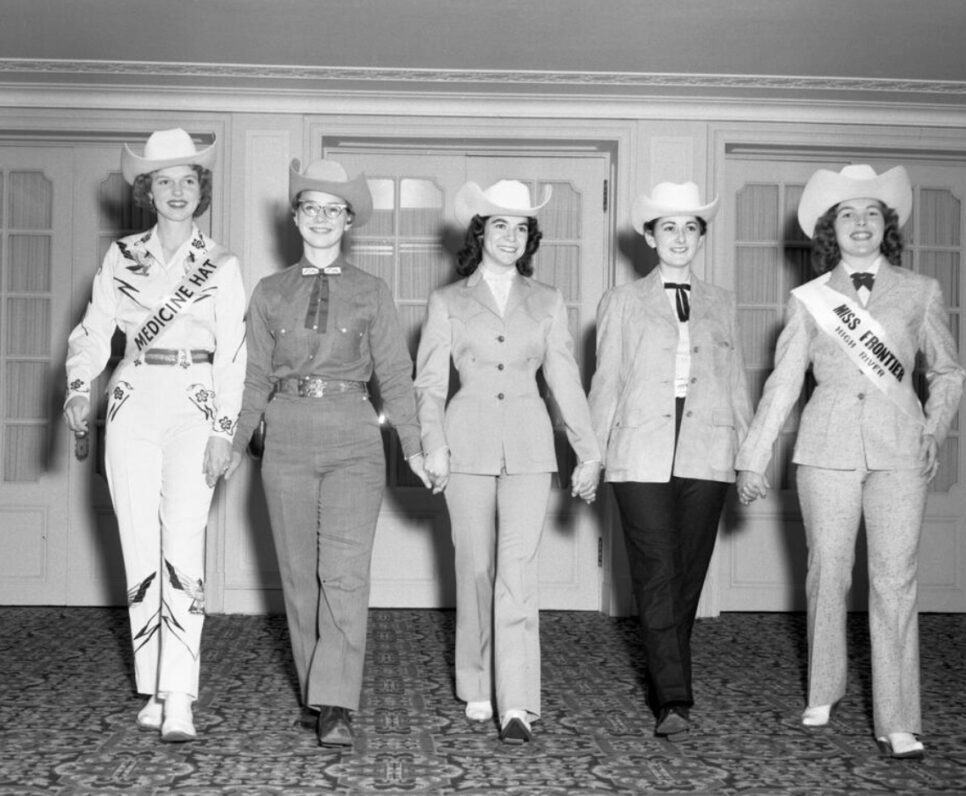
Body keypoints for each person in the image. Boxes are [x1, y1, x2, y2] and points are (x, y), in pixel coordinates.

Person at [735, 164, 965, 759]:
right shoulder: (809, 301)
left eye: (871, 214)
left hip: (899, 450)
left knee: (895, 582)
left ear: (885, 226)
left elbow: (946, 371)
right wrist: (753, 459)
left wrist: (935, 428)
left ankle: (899, 719)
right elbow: (783, 384)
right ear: (829, 229)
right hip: (826, 449)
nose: (859, 224)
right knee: (827, 573)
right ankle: (824, 687)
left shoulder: (921, 291)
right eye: (847, 214)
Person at [225, 159, 430, 749]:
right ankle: (318, 686)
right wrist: (235, 445)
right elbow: (254, 377)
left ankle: (336, 700)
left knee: (343, 574)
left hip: (353, 436)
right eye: (310, 207)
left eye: (333, 209)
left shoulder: (371, 291)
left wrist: (413, 446)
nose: (321, 218)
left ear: (349, 220)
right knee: (297, 576)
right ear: (295, 217)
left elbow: (394, 372)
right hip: (285, 434)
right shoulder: (269, 292)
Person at [64, 128, 247, 742]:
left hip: (195, 402)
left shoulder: (223, 263)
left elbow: (235, 358)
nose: (176, 191)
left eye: (187, 180)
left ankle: (181, 693)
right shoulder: (121, 256)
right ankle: (154, 685)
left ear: (202, 190)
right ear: (146, 190)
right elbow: (94, 332)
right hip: (133, 400)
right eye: (163, 180)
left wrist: (225, 430)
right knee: (139, 540)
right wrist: (78, 385)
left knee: (184, 541)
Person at [414, 180, 602, 744]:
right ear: (480, 232)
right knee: (476, 569)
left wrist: (589, 452)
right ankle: (476, 680)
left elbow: (565, 379)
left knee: (518, 573)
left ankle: (516, 701)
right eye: (500, 224)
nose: (511, 236)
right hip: (464, 443)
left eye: (521, 226)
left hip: (528, 447)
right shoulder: (447, 301)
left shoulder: (547, 301)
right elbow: (427, 382)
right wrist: (433, 444)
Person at [588, 181, 752, 737]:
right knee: (656, 571)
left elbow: (736, 383)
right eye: (668, 227)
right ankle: (674, 700)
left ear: (700, 236)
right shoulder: (621, 301)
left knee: (687, 574)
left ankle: (668, 677)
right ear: (650, 237)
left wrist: (750, 456)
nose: (679, 237)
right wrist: (591, 454)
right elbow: (605, 383)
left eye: (689, 227)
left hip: (708, 443)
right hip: (639, 449)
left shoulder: (723, 302)